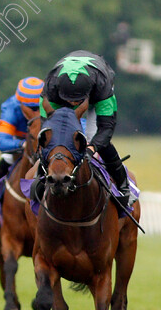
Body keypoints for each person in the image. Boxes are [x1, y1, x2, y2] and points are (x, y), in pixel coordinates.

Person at [35, 50, 133, 206]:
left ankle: (123, 186)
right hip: (62, 94)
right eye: (70, 101)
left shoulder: (102, 88)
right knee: (52, 140)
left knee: (96, 138)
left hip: (97, 89)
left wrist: (91, 148)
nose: (73, 105)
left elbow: (106, 128)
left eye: (77, 101)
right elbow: (46, 128)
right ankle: (39, 180)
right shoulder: (51, 87)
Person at [0, 76, 43, 197]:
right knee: (7, 158)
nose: (36, 113)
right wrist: (22, 145)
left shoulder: (50, 105)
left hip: (42, 142)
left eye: (38, 108)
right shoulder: (10, 108)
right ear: (20, 103)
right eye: (32, 108)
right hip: (21, 142)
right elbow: (2, 141)